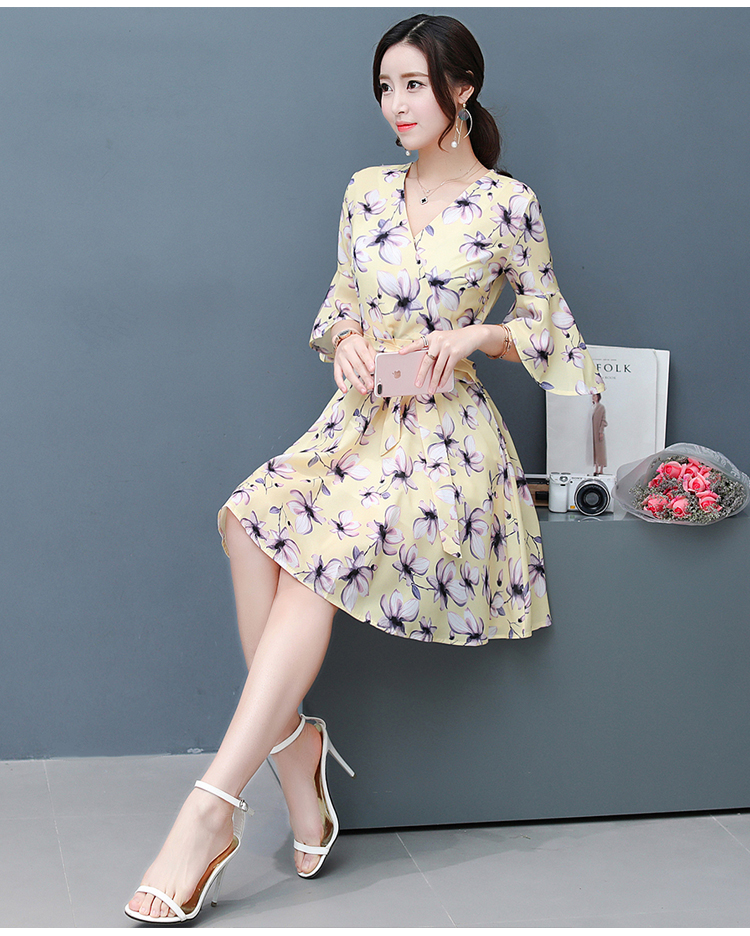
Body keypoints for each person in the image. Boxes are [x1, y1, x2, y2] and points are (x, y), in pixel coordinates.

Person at [125, 12, 604, 923]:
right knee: (248, 521)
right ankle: (294, 752)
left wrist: (478, 336)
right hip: (359, 423)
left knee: (317, 558)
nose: (397, 104)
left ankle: (209, 810)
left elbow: (553, 330)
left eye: (415, 84)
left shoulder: (509, 204)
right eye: (386, 87)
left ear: (462, 89)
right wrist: (344, 338)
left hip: (448, 441)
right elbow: (340, 300)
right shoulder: (367, 191)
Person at [592, 393, 608, 474]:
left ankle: (601, 469)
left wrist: (601, 431)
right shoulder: (592, 407)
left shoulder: (601, 407)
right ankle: (596, 469)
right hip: (593, 432)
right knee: (594, 451)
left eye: (594, 396)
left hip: (598, 432)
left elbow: (603, 420)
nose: (593, 397)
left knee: (600, 451)